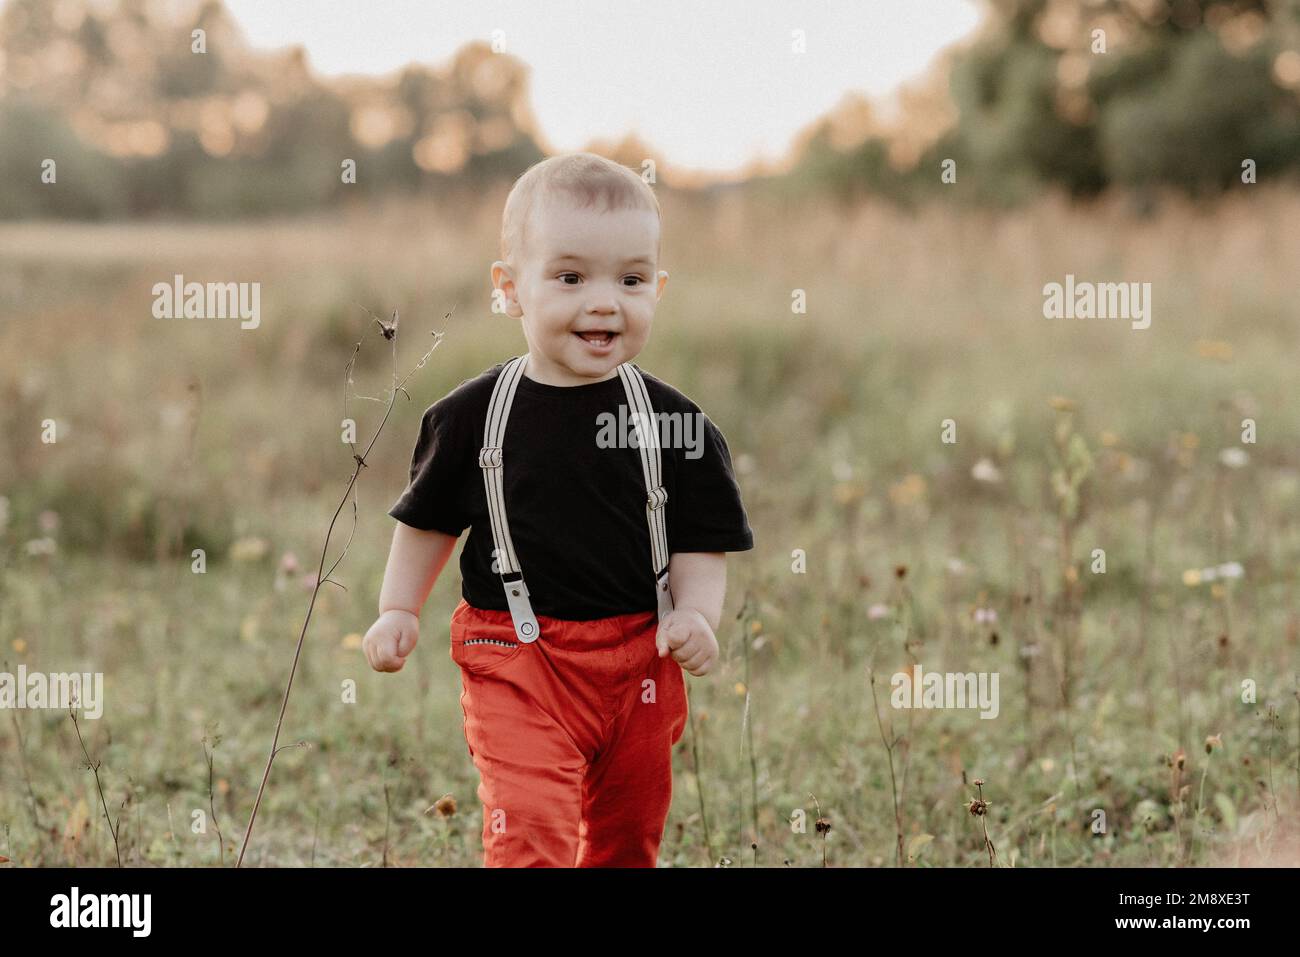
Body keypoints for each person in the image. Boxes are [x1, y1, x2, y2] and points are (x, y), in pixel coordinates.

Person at [363, 152, 754, 867]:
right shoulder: (472, 416)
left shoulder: (677, 424)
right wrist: (398, 608)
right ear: (510, 289)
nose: (604, 301)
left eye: (631, 280)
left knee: (626, 835)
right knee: (531, 824)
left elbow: (703, 536)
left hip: (640, 658)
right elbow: (428, 521)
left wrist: (695, 612)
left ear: (658, 289)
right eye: (571, 277)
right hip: (516, 655)